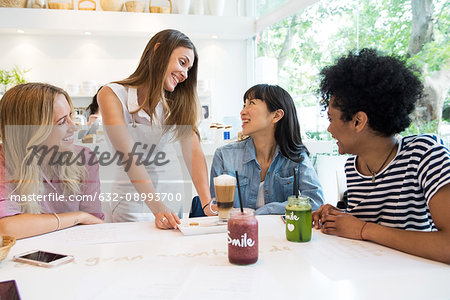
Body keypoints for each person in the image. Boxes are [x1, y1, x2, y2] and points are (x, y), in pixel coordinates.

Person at [313, 48, 450, 264]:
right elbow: (368, 232)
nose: (329, 129)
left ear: (358, 121)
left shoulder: (425, 154)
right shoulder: (354, 167)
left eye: (331, 119)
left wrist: (363, 229)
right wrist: (338, 217)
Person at [98, 29, 214, 229]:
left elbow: (193, 152)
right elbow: (129, 156)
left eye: (189, 69)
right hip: (130, 203)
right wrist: (157, 206)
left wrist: (207, 203)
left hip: (173, 201)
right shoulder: (112, 95)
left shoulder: (176, 102)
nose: (185, 75)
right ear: (159, 50)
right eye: (182, 62)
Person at [0, 83, 104, 239]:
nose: (73, 128)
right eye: (62, 122)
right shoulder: (4, 161)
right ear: (31, 130)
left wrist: (82, 217)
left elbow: (93, 224)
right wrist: (79, 217)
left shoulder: (84, 158)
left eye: (71, 116)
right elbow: (7, 228)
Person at [210, 84, 324, 214]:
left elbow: (316, 202)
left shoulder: (296, 157)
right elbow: (216, 209)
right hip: (237, 232)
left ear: (276, 116)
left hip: (280, 233)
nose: (242, 112)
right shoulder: (224, 156)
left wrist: (265, 211)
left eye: (251, 103)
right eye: (244, 105)